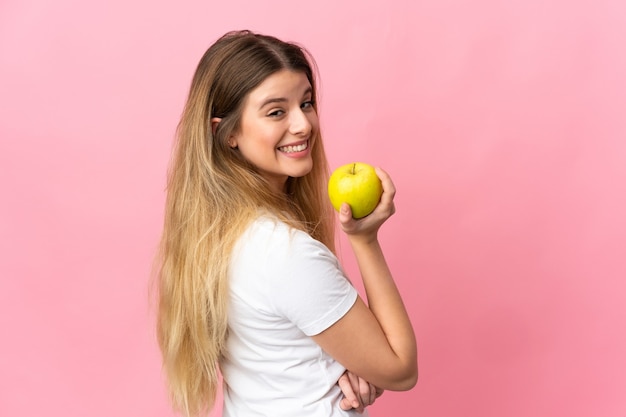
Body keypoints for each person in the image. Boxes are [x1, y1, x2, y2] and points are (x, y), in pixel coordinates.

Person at [155, 30, 417, 417]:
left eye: (306, 103)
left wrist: (344, 363)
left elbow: (278, 354)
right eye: (276, 111)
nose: (304, 124)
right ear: (225, 133)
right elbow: (400, 368)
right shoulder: (285, 251)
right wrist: (364, 240)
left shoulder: (221, 234)